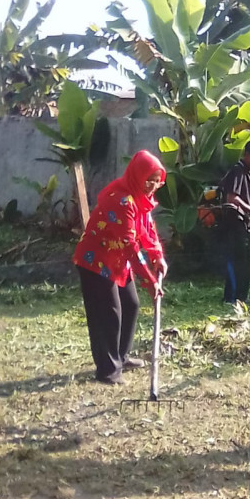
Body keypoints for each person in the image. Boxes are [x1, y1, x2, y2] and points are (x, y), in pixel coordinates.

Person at [73, 150, 167, 385]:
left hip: (117, 262)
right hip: (96, 261)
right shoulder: (121, 200)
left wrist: (158, 256)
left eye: (157, 181)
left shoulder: (140, 199)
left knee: (131, 305)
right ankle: (107, 370)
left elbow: (147, 229)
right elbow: (131, 246)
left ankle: (120, 357)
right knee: (109, 313)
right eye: (149, 180)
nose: (152, 186)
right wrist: (150, 281)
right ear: (137, 175)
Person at [218, 139, 250, 304]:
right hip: (233, 224)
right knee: (237, 262)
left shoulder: (249, 172)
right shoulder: (238, 171)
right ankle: (230, 298)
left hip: (243, 224)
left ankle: (242, 298)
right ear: (247, 155)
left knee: (246, 261)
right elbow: (231, 198)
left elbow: (244, 195)